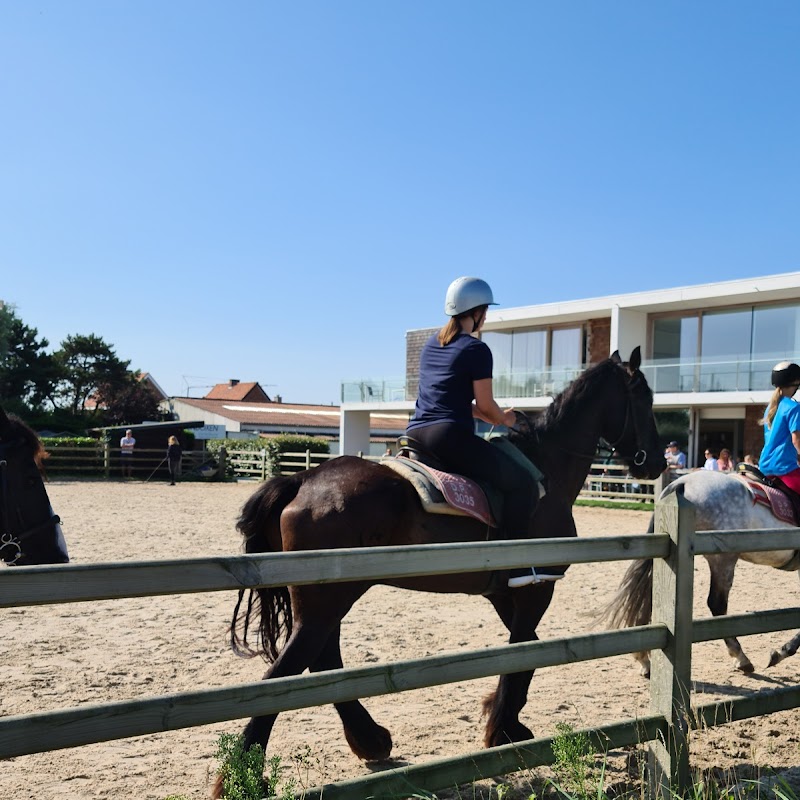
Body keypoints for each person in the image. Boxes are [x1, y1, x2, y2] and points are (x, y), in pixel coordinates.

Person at [406, 276, 559, 588]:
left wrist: (487, 413)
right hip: (449, 437)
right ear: (475, 312)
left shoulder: (432, 345)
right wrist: (505, 419)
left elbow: (457, 400)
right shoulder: (476, 349)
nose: (486, 317)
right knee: (522, 484)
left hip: (417, 433)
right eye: (485, 311)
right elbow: (486, 406)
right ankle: (515, 568)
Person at [758, 361, 800, 497]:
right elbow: (796, 440)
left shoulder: (770, 408)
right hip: (784, 468)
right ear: (795, 382)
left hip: (764, 468)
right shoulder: (794, 407)